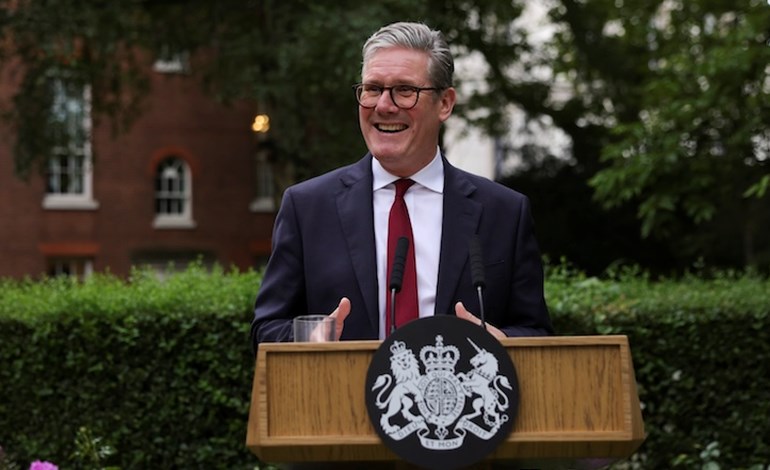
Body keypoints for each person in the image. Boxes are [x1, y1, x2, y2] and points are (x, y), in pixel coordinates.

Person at [251, 21, 552, 351]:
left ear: (445, 103)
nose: (383, 105)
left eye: (405, 90)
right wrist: (312, 339)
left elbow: (536, 331)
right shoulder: (307, 208)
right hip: (342, 385)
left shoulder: (504, 212)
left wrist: (504, 344)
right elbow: (266, 328)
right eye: (373, 89)